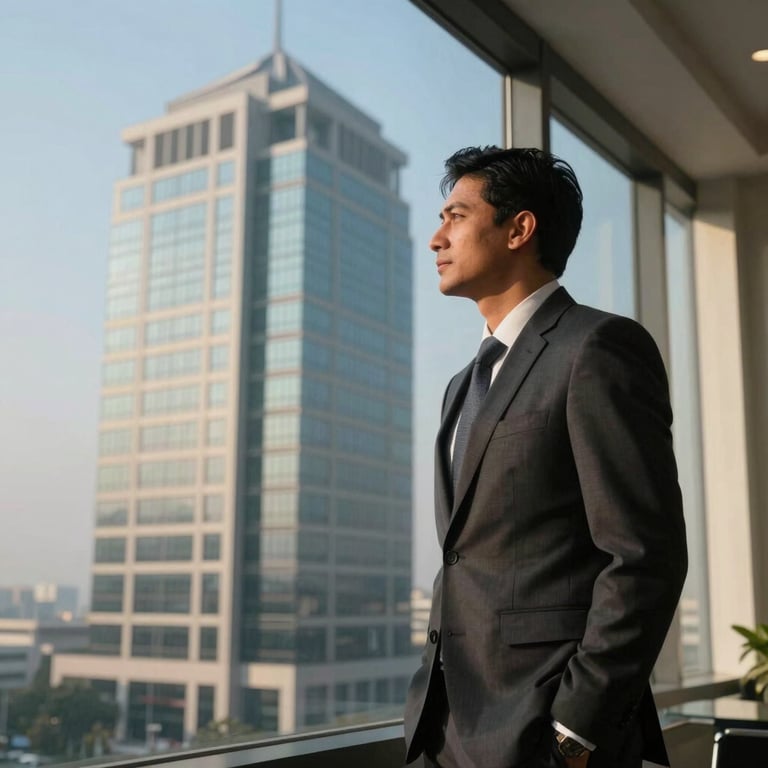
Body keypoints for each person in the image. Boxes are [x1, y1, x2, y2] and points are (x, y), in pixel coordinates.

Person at [403, 146, 688, 768]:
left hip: (544, 734)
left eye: (454, 215)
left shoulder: (598, 347)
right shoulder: (460, 385)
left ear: (519, 228)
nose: (435, 238)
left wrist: (576, 731)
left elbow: (644, 556)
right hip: (445, 732)